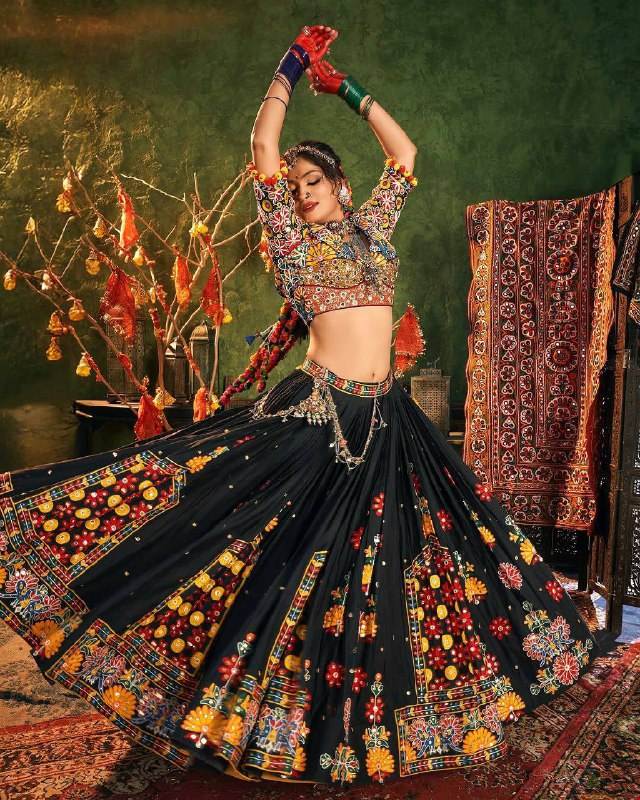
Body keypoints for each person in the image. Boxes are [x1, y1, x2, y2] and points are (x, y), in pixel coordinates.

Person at [0, 25, 607, 789]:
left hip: (387, 421)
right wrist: (288, 68)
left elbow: (405, 155)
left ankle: (384, 717)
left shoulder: (373, 232)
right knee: (280, 557)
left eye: (312, 181)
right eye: (292, 188)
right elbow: (263, 146)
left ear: (341, 184)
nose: (300, 192)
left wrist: (344, 87)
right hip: (320, 419)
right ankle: (270, 715)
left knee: (401, 566)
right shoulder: (290, 242)